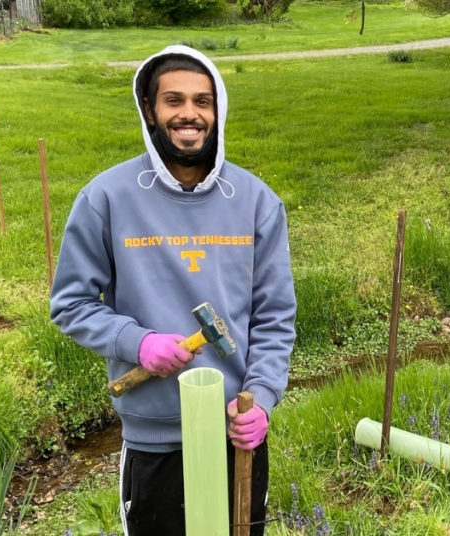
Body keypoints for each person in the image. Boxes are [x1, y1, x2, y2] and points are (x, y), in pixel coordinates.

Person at [49, 45, 296, 536]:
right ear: (149, 109)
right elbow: (71, 303)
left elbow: (274, 318)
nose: (190, 114)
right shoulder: (106, 198)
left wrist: (262, 397)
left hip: (236, 436)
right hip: (155, 440)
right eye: (174, 101)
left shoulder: (256, 202)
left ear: (218, 110)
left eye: (203, 102)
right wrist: (136, 342)